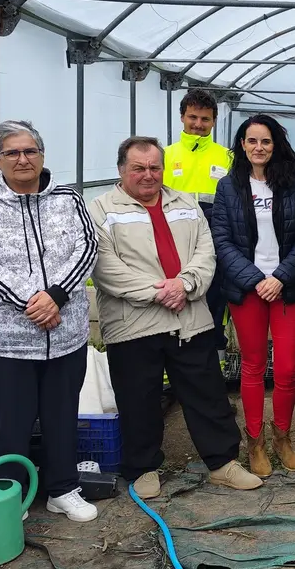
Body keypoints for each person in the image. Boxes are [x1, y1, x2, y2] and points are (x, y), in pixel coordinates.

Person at [90, 136, 261, 500]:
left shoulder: (185, 203)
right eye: (139, 168)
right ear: (122, 169)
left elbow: (206, 251)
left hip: (189, 317)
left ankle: (222, 463)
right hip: (134, 323)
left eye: (154, 167)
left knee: (207, 392)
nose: (148, 175)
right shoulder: (101, 210)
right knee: (139, 398)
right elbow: (106, 269)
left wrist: (184, 285)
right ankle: (143, 468)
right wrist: (159, 291)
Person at [0, 120, 99, 523]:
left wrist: (55, 296)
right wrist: (30, 302)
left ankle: (62, 489)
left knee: (61, 417)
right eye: (12, 152)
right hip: (8, 339)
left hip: (65, 333)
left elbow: (87, 246)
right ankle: (10, 495)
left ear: (41, 155)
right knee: (11, 423)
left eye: (30, 151)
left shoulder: (68, 200)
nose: (23, 159)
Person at [210, 114, 295, 479]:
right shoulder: (228, 187)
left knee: (286, 369)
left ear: (276, 144)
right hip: (247, 289)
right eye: (251, 141)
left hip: (288, 288)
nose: (258, 148)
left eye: (265, 141)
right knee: (252, 367)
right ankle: (255, 441)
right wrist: (255, 279)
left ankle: (282, 436)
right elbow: (221, 240)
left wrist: (281, 276)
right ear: (241, 145)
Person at [164, 90, 233, 351]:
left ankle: (214, 361)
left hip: (215, 235)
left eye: (205, 119)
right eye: (192, 117)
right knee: (175, 296)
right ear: (182, 117)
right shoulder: (166, 155)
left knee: (214, 297)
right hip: (174, 236)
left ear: (214, 121)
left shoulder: (227, 157)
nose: (198, 124)